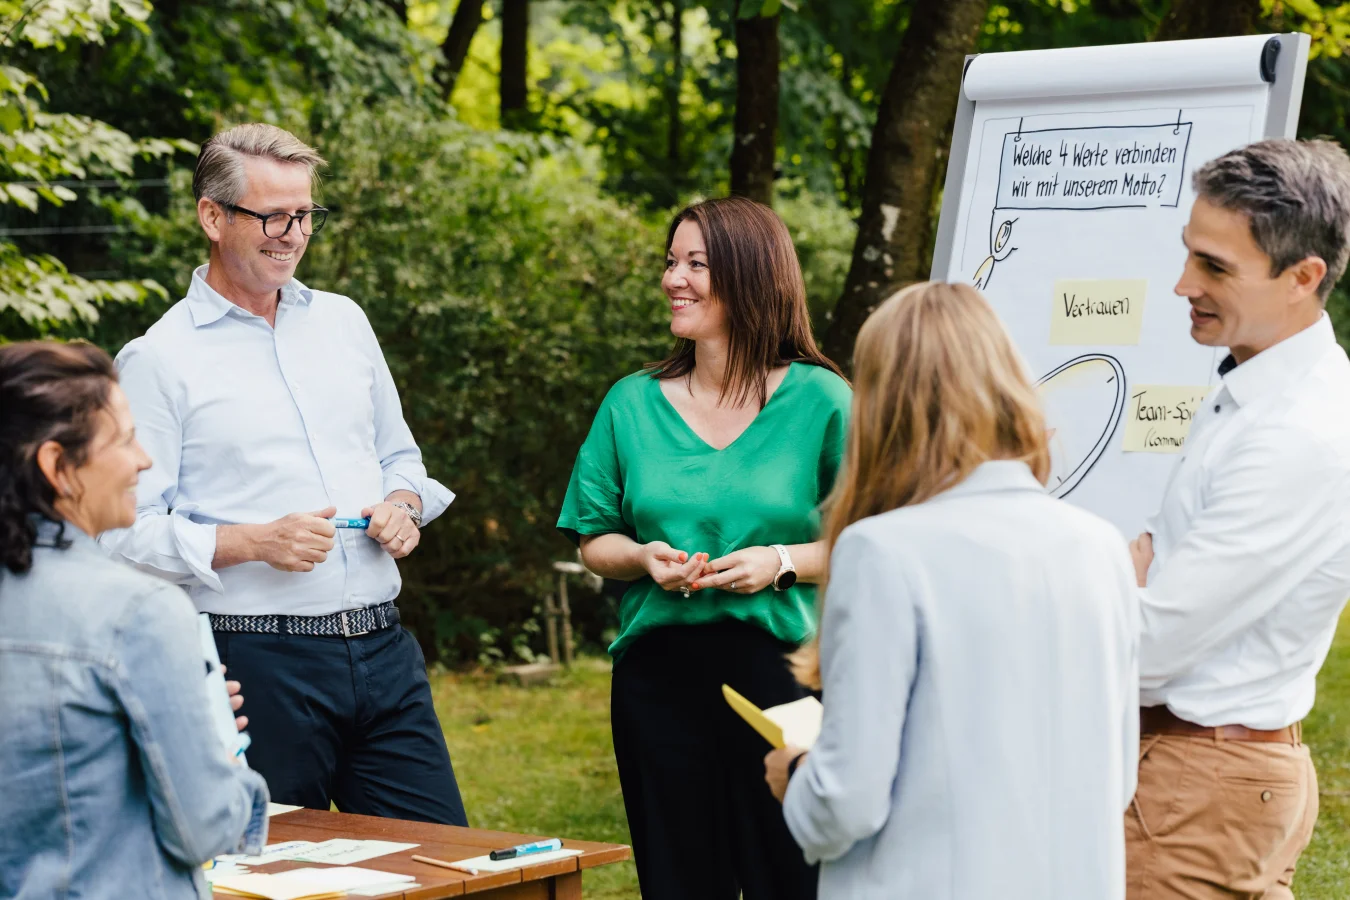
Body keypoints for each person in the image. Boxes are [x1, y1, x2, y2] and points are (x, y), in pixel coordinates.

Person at [98, 123, 467, 825]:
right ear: (213, 216)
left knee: (441, 859)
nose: (293, 235)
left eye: (305, 214)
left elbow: (401, 458)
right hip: (253, 662)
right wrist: (251, 542)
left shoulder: (344, 322)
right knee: (274, 867)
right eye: (273, 216)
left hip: (385, 651)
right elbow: (119, 533)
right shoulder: (157, 360)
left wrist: (403, 505)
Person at [765, 281, 1140, 900]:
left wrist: (798, 776)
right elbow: (1116, 773)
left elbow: (849, 798)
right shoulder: (1100, 546)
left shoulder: (881, 551)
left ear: (883, 405)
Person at [557, 196, 851, 900]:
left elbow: (872, 540)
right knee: (679, 882)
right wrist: (641, 558)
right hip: (658, 680)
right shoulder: (630, 402)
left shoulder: (824, 400)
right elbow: (594, 538)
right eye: (670, 262)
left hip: (785, 678)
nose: (673, 279)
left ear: (752, 276)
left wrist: (780, 563)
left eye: (696, 264)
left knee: (792, 879)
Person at [1125, 139, 1350, 898]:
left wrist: (1108, 584)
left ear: (1303, 278)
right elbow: (1156, 559)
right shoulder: (1253, 388)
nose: (1183, 284)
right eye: (1189, 253)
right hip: (1203, 775)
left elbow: (1152, 644)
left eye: (1215, 267)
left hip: (1197, 784)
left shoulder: (1298, 433)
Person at [0, 341, 270, 898]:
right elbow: (203, 828)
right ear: (57, 465)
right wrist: (212, 743)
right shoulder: (138, 613)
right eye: (125, 440)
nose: (143, 461)